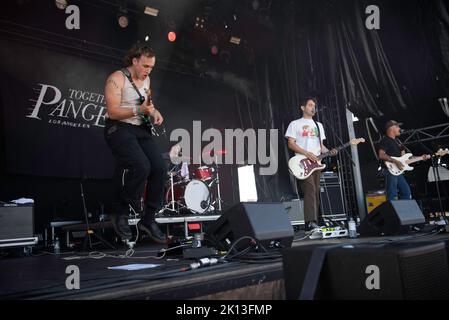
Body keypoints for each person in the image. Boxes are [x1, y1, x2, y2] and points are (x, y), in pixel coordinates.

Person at [104, 43, 166, 243]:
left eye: (151, 67)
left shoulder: (147, 80)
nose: (148, 71)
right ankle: (120, 211)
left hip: (140, 129)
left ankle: (148, 219)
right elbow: (113, 111)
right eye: (145, 66)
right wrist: (139, 111)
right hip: (118, 127)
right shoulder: (116, 79)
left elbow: (147, 103)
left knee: (160, 168)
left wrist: (154, 112)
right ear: (135, 61)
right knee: (141, 166)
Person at [285, 97, 337, 230]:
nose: (313, 107)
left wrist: (330, 151)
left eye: (314, 105)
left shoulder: (319, 126)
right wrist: (306, 153)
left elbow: (321, 146)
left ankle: (317, 220)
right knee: (310, 190)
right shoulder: (295, 124)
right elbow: (291, 144)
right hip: (302, 163)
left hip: (317, 163)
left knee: (316, 192)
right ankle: (310, 221)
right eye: (310, 105)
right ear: (303, 108)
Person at [378, 120, 429, 201]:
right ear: (392, 128)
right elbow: (381, 155)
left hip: (398, 171)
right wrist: (396, 161)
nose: (400, 128)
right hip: (390, 170)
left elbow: (405, 157)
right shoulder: (385, 140)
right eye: (398, 127)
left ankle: (403, 212)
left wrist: (421, 157)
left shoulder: (398, 141)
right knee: (392, 193)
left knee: (406, 192)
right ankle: (393, 213)